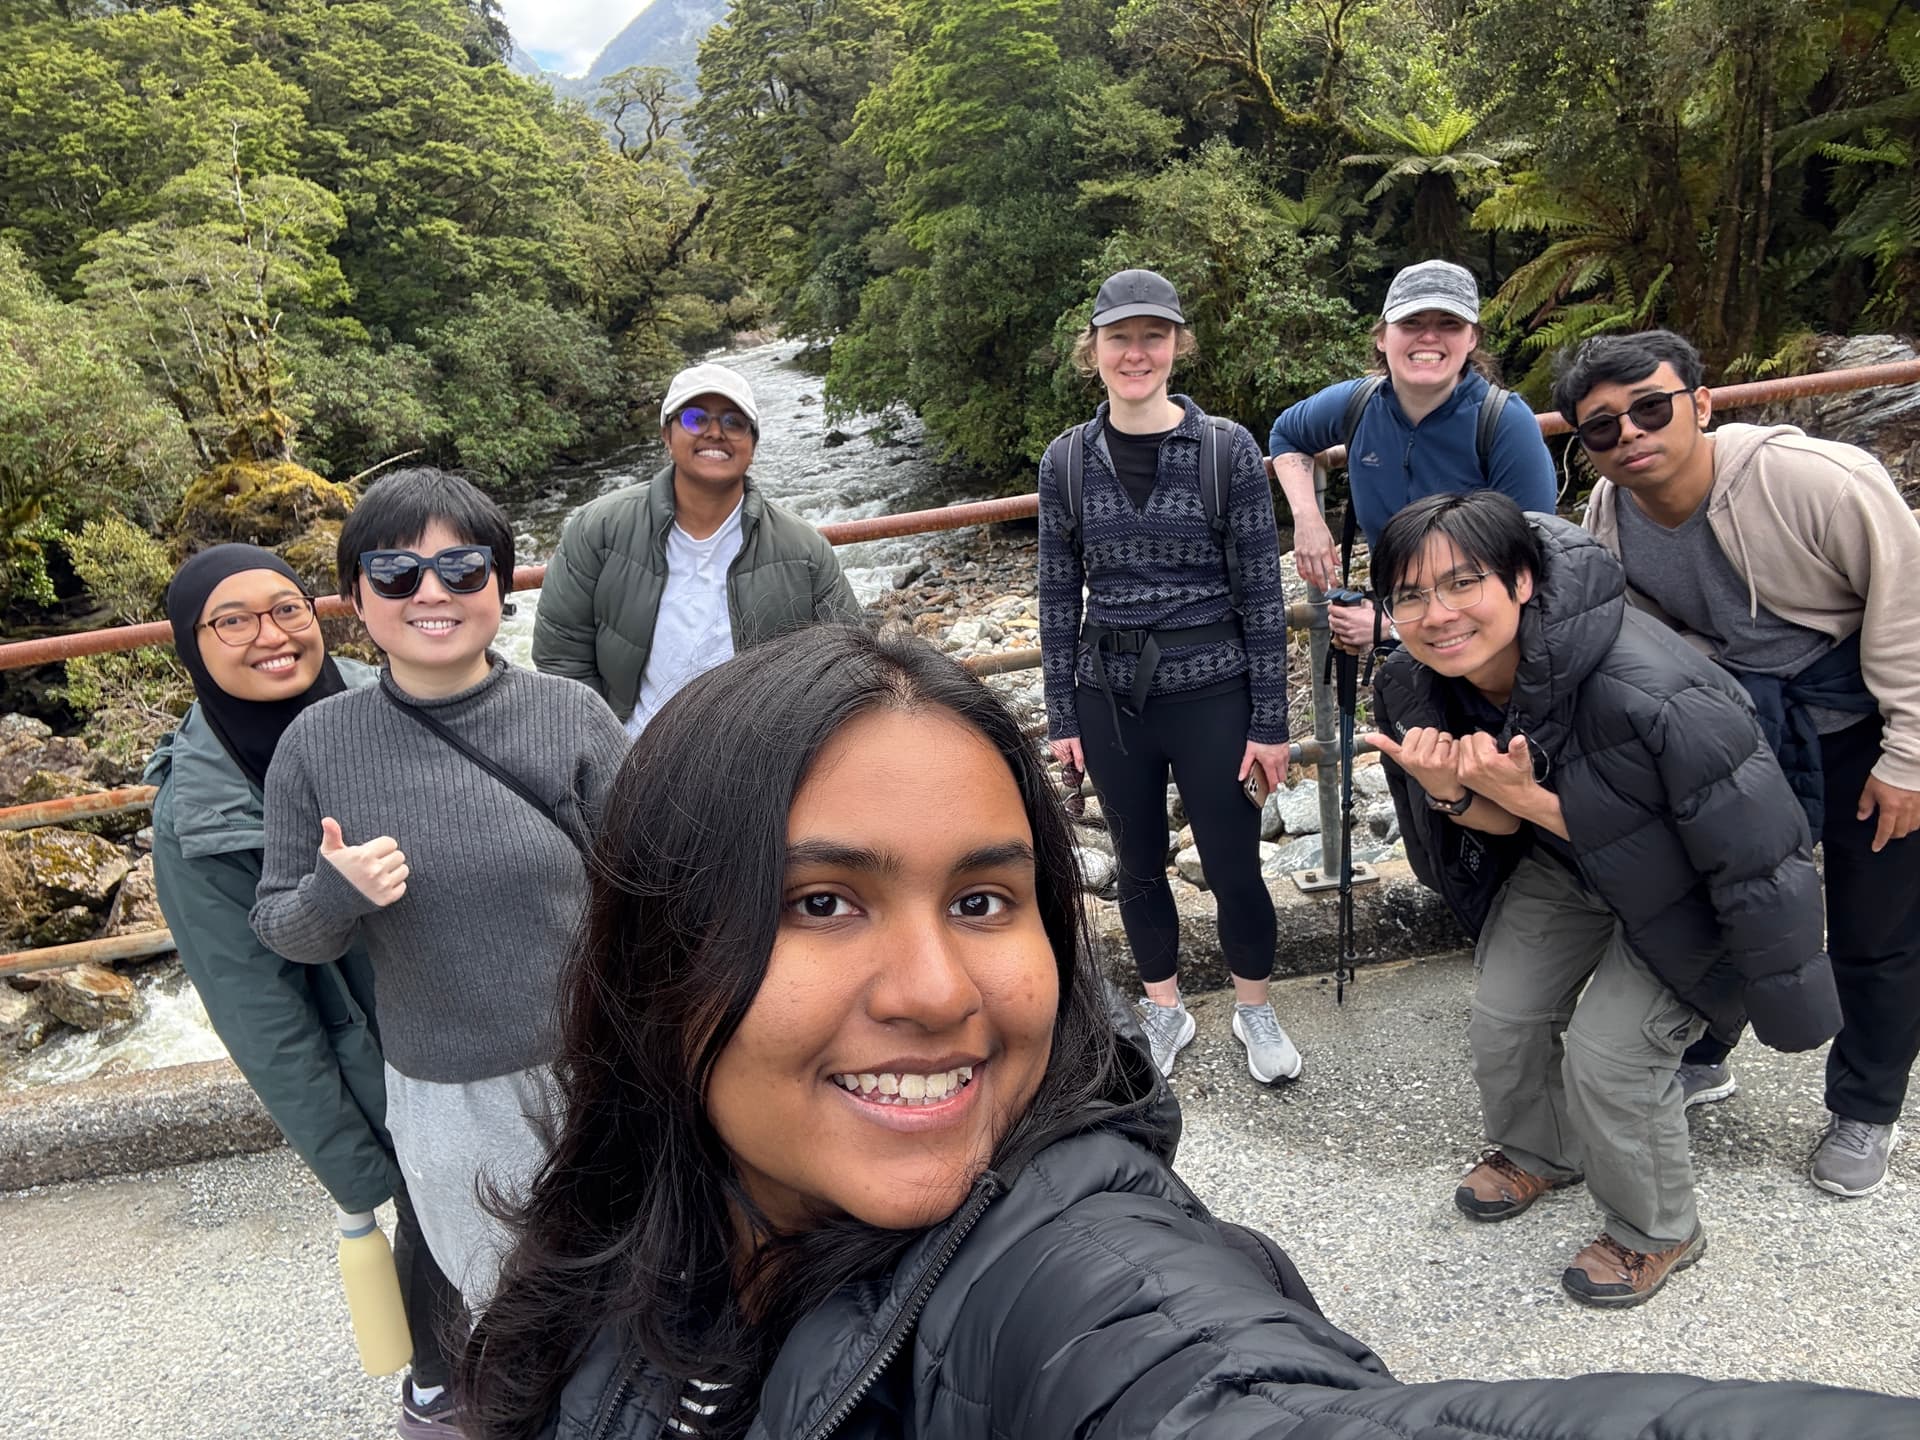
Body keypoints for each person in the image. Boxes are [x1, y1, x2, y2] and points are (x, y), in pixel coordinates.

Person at [456, 625, 1917, 1439]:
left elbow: (1244, 1406)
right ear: (657, 949)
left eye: (984, 900)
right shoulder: (636, 1224)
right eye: (822, 902)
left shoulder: (1085, 1270)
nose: (936, 992)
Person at [1365, 491, 1840, 1307]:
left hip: (1687, 886)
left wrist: (1536, 803)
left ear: (1521, 581)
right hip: (1566, 866)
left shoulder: (1652, 686)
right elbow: (1499, 831)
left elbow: (1757, 847)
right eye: (1409, 594)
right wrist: (1450, 794)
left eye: (1461, 584)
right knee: (1504, 1012)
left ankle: (1660, 1229)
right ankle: (1541, 1151)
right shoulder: (1419, 683)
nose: (1435, 614)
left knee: (1612, 1054)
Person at [250, 468, 628, 1311]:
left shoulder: (571, 716)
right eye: (395, 572)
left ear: (501, 585)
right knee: (513, 1305)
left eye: (463, 569)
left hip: (600, 1061)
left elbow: (651, 886)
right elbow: (282, 927)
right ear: (353, 596)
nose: (432, 592)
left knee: (635, 1282)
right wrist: (331, 894)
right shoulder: (317, 743)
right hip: (446, 1092)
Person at [1558, 329, 1920, 1198]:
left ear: (1700, 403)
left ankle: (1866, 1108)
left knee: (1876, 930)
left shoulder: (1814, 481)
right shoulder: (1609, 518)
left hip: (1860, 717)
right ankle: (1709, 1054)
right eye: (1602, 428)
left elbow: (1908, 605)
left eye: (1650, 407)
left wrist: (1909, 755)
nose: (1632, 435)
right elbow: (1627, 639)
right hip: (1737, 731)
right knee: (1729, 903)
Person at [149, 543, 467, 1437]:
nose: (271, 636)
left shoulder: (409, 695)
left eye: (287, 608)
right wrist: (359, 1164)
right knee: (435, 1235)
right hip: (390, 1072)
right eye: (233, 620)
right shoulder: (199, 813)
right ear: (191, 643)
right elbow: (258, 1012)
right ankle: (439, 1390)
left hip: (500, 1018)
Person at [1038, 267, 1297, 1083]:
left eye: (1153, 336)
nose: (1136, 353)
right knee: (1138, 861)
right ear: (1095, 350)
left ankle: (1255, 1008)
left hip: (1216, 692)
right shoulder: (1066, 462)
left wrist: (1271, 723)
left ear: (1177, 346)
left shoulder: (1228, 450)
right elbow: (1055, 594)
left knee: (1233, 862)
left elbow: (1262, 591)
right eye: (1120, 337)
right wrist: (1061, 717)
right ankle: (1163, 1007)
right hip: (1109, 696)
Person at [531, 361, 863, 736]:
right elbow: (561, 652)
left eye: (733, 422)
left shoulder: (803, 549)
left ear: (752, 445)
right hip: (632, 761)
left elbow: (848, 661)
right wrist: (604, 746)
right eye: (695, 419)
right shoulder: (599, 530)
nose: (715, 433)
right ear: (667, 436)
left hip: (758, 770)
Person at [1267, 259, 1555, 652]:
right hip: (1403, 653)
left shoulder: (1504, 422)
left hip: (1483, 651)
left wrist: (1390, 627)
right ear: (1383, 337)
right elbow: (1286, 435)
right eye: (1412, 323)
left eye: (1449, 324)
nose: (1429, 337)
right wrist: (1307, 519)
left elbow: (1532, 563)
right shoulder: (1359, 404)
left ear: (1472, 339)